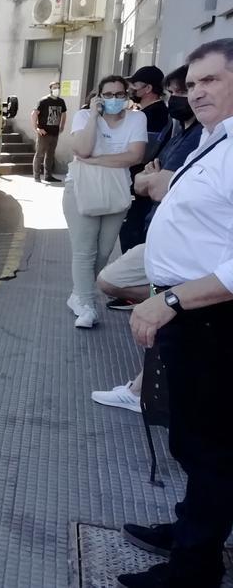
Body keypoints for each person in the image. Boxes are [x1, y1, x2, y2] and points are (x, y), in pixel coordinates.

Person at [118, 39, 233, 588]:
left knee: (211, 446)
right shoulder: (215, 139)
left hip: (212, 320)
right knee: (191, 437)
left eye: (211, 80)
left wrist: (169, 300)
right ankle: (192, 529)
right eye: (193, 82)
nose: (196, 91)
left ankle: (195, 569)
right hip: (189, 313)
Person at [91, 65, 204, 413]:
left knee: (176, 311)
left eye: (198, 86)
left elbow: (154, 176)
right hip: (161, 235)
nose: (188, 97)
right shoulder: (182, 131)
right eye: (183, 90)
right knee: (114, 280)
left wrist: (156, 181)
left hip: (188, 243)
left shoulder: (208, 138)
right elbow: (147, 176)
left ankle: (142, 391)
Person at [63, 76, 147, 329]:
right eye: (108, 94)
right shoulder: (83, 117)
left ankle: (78, 295)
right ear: (98, 96)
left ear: (127, 96)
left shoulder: (137, 118)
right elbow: (82, 150)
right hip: (81, 188)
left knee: (104, 250)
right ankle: (88, 306)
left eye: (119, 94)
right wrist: (93, 116)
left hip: (116, 190)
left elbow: (134, 156)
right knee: (84, 250)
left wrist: (97, 161)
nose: (114, 99)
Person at [119, 66, 169, 252]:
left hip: (141, 187)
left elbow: (138, 153)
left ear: (147, 89)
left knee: (132, 239)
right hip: (140, 185)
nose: (130, 90)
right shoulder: (150, 113)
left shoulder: (151, 116)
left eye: (134, 85)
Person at [31, 81, 68, 182]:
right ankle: (37, 176)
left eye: (58, 87)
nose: (57, 89)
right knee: (39, 154)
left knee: (50, 155)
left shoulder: (61, 101)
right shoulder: (43, 101)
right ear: (51, 89)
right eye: (55, 87)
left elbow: (64, 114)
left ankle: (48, 175)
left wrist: (62, 126)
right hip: (44, 133)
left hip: (55, 132)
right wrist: (37, 128)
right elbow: (34, 114)